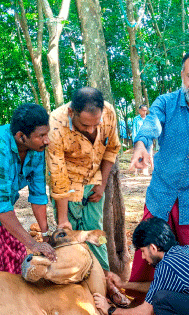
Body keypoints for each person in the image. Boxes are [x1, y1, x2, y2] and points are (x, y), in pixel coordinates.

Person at [127, 49, 189, 296]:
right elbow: (151, 125)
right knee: (147, 250)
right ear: (182, 75)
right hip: (162, 194)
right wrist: (141, 145)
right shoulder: (165, 103)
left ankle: (180, 303)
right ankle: (138, 298)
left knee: (187, 256)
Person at [47, 87, 120, 276]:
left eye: (96, 124)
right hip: (67, 188)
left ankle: (105, 278)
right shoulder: (55, 124)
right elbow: (58, 175)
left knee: (97, 234)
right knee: (70, 241)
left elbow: (111, 150)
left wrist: (102, 185)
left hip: (94, 181)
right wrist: (63, 220)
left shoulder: (109, 112)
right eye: (85, 125)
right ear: (72, 113)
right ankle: (77, 283)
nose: (91, 130)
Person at [0, 103, 56, 272]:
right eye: (41, 136)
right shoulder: (2, 149)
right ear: (20, 136)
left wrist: (45, 236)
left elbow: (38, 194)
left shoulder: (37, 149)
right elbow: (2, 205)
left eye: (48, 134)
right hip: (2, 207)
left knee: (16, 257)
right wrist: (32, 243)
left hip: (4, 208)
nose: (47, 140)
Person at [129, 105, 152, 175]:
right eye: (143, 110)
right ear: (139, 111)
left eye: (145, 110)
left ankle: (145, 170)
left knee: (147, 154)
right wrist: (135, 140)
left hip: (147, 139)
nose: (144, 112)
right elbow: (134, 130)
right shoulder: (136, 119)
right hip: (138, 139)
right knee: (137, 154)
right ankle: (136, 170)